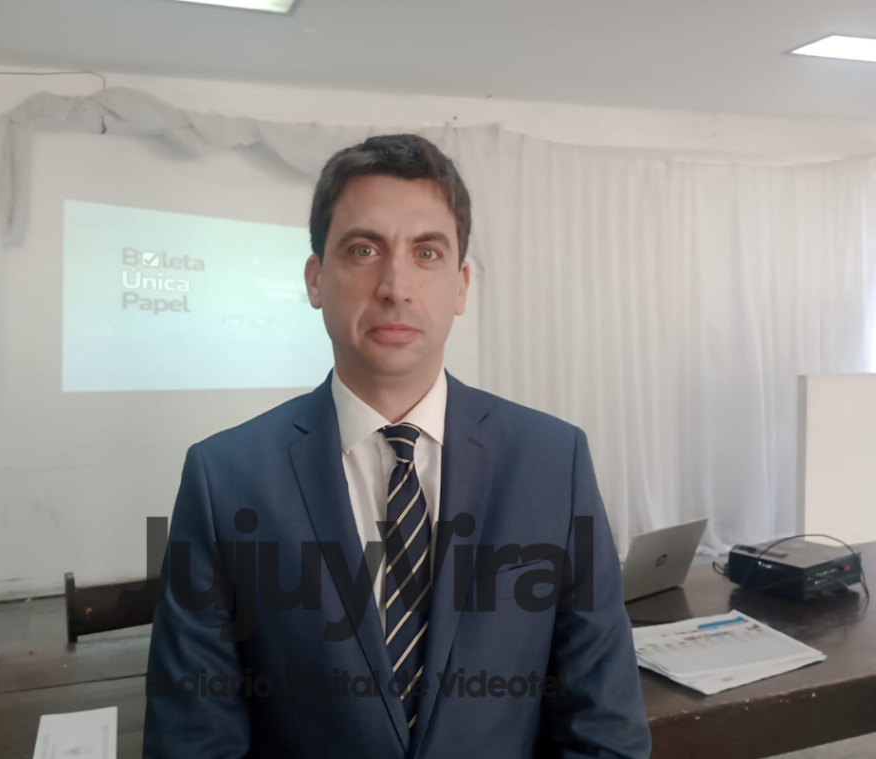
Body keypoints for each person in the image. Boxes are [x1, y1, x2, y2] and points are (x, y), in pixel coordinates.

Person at [144, 134, 651, 758]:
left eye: (426, 253)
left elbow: (604, 728)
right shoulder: (223, 478)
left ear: (461, 286)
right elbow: (192, 741)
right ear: (316, 280)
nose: (395, 286)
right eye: (363, 249)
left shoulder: (554, 462)